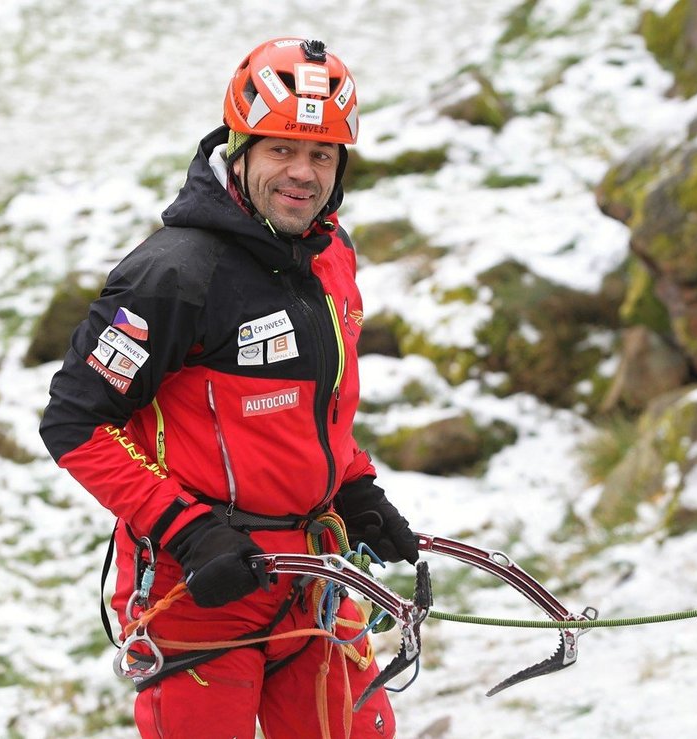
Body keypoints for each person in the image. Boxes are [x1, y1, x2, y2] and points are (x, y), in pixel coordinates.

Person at [39, 36, 419, 739]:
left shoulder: (331, 254)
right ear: (238, 150)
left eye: (322, 155)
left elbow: (315, 406)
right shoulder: (172, 275)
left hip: (314, 574)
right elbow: (74, 422)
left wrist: (354, 487)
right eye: (282, 149)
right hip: (200, 586)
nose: (302, 173)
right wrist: (187, 530)